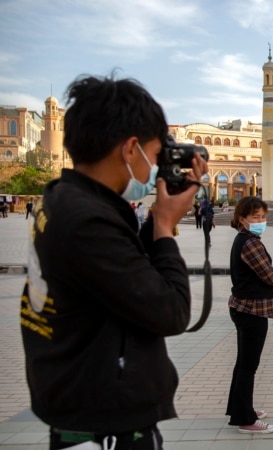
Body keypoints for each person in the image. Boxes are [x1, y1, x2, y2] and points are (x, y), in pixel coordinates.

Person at [19, 74, 207, 450]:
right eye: (156, 156)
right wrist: (166, 225)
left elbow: (123, 277)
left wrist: (155, 217)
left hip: (88, 408)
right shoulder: (87, 221)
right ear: (130, 148)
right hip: (102, 425)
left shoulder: (65, 199)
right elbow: (170, 311)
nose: (156, 168)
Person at [226, 196, 273, 433]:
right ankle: (245, 419)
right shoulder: (250, 243)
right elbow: (268, 276)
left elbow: (260, 271)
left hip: (243, 308)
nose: (261, 221)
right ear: (242, 219)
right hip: (251, 310)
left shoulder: (245, 239)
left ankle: (240, 408)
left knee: (243, 363)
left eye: (264, 217)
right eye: (256, 217)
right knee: (248, 366)